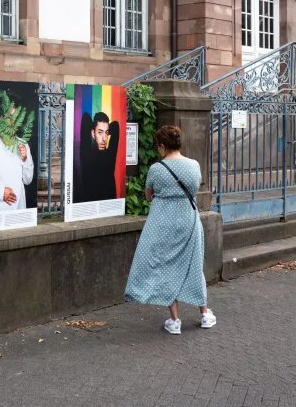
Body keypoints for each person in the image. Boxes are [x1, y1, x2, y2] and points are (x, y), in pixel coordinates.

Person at [124, 125, 216, 334]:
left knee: (166, 268)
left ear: (163, 146)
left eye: (158, 147)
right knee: (194, 266)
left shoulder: (157, 169)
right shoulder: (194, 165)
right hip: (188, 221)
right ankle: (204, 314)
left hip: (162, 224)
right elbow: (194, 188)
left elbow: (148, 196)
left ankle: (174, 321)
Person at [0, 137, 36, 213]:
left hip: (18, 209)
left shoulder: (23, 144)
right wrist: (1, 193)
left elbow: (27, 180)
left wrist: (25, 159)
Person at [75, 111, 120, 203]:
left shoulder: (110, 154)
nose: (104, 138)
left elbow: (115, 125)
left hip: (109, 205)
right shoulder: (87, 153)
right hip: (90, 206)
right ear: (92, 133)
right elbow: (86, 118)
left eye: (107, 133)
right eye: (100, 132)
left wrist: (101, 129)